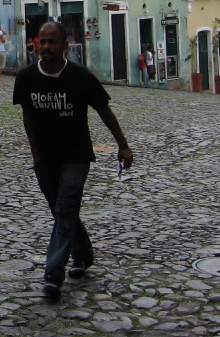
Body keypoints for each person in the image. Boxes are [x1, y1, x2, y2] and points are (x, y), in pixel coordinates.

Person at [13, 20, 133, 303]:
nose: (45, 47)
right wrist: (35, 154)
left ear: (65, 46)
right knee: (61, 211)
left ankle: (53, 275)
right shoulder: (27, 77)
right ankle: (83, 253)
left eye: (52, 42)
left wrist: (123, 145)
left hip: (76, 156)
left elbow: (104, 110)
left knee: (66, 208)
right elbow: (27, 116)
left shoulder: (80, 77)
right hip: (46, 157)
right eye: (42, 41)